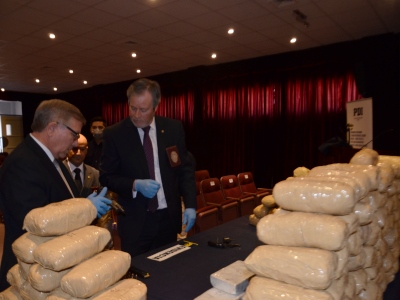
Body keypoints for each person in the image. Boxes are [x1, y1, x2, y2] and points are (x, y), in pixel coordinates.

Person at [0, 99, 112, 291]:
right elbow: (37, 224)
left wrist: (84, 201)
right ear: (52, 128)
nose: (76, 141)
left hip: (55, 266)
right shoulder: (22, 164)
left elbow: (62, 202)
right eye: (74, 134)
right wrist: (86, 208)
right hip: (32, 275)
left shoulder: (53, 157)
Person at [99, 78, 196, 257]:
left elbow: (184, 170)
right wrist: (134, 184)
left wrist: (190, 205)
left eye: (143, 110)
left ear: (156, 107)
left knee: (169, 270)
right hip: (135, 223)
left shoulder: (172, 128)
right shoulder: (115, 134)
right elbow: (106, 177)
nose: (136, 115)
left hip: (168, 218)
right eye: (132, 108)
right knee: (138, 276)